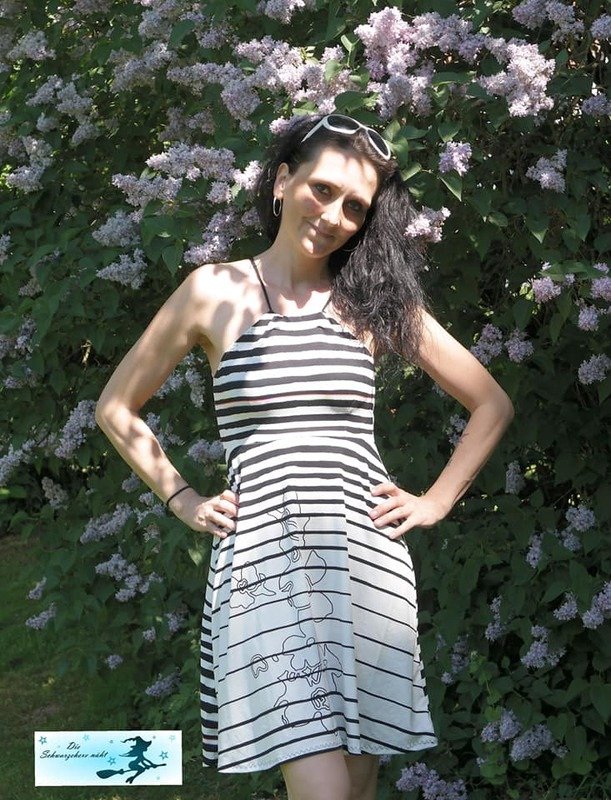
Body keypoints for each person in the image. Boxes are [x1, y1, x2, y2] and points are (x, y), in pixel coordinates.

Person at [95, 113, 514, 800]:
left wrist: (435, 500)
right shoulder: (211, 291)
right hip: (264, 569)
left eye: (355, 206)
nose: (335, 215)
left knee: (356, 786)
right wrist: (184, 499)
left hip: (366, 565)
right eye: (322, 190)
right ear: (282, 181)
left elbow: (490, 403)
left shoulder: (373, 302)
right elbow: (116, 407)